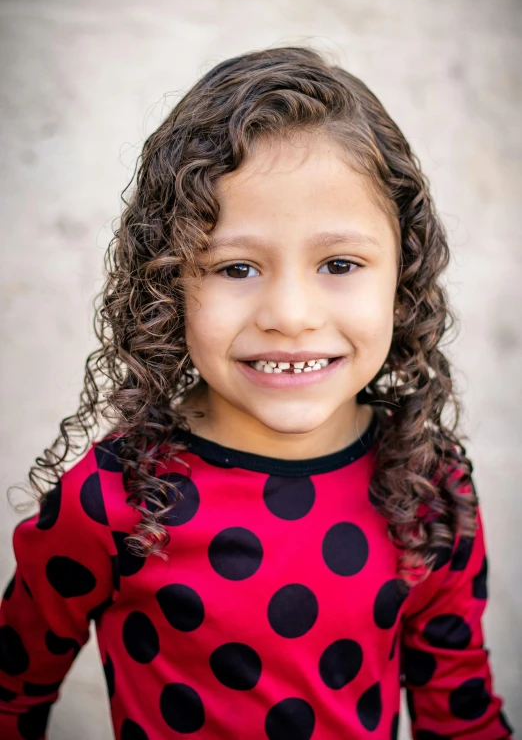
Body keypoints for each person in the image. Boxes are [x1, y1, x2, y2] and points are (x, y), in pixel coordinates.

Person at [0, 46, 514, 740]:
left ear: (404, 275)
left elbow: (463, 723)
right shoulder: (115, 498)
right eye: (237, 266)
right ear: (170, 281)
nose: (291, 313)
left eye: (339, 263)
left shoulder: (425, 488)